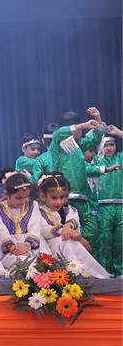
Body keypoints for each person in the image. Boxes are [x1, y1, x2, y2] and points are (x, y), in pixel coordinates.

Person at [49, 108, 108, 257]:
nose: (81, 132)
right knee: (68, 234)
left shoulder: (79, 145)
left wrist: (98, 118)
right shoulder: (58, 144)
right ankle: (70, 265)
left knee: (92, 231)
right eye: (78, 129)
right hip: (64, 198)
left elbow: (95, 138)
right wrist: (82, 125)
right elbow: (58, 133)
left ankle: (86, 264)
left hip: (83, 197)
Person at [38, 173, 109, 278]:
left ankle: (84, 273)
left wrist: (68, 227)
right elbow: (44, 231)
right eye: (54, 198)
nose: (59, 201)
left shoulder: (71, 210)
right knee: (64, 241)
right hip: (48, 249)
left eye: (62, 197)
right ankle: (75, 273)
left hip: (69, 244)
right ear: (43, 197)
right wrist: (65, 230)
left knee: (68, 241)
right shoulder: (39, 212)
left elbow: (74, 222)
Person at [0, 171, 47, 268]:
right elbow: (0, 230)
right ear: (7, 194)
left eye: (26, 197)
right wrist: (12, 248)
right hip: (9, 246)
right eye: (19, 198)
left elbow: (35, 227)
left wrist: (27, 245)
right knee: (18, 264)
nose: (23, 201)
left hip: (30, 244)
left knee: (40, 264)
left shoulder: (33, 205)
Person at [96, 127, 123, 275]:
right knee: (105, 239)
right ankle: (105, 270)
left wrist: (119, 133)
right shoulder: (97, 160)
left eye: (111, 144)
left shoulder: (120, 158)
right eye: (105, 145)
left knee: (120, 239)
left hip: (121, 204)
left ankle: (120, 269)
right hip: (103, 205)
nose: (109, 148)